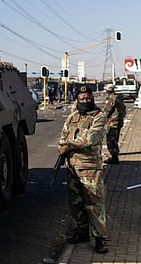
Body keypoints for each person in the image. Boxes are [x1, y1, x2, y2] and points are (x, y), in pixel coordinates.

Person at [58, 85, 109, 254]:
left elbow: (91, 138)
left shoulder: (99, 116)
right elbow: (63, 136)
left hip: (90, 168)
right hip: (73, 167)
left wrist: (68, 145)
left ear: (92, 98)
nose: (85, 101)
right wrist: (62, 147)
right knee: (75, 203)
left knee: (94, 204)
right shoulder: (72, 117)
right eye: (82, 99)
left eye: (88, 98)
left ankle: (100, 238)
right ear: (77, 100)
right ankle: (81, 233)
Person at [102, 83, 126, 164]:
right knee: (115, 139)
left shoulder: (111, 98)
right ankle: (114, 155)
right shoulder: (118, 97)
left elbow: (106, 111)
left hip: (112, 122)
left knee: (111, 140)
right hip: (118, 121)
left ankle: (114, 158)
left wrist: (100, 119)